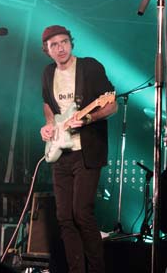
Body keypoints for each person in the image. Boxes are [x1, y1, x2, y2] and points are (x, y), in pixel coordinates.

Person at [39, 25, 117, 273]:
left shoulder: (90, 67)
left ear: (71, 43)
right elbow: (48, 106)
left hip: (87, 151)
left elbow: (111, 104)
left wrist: (90, 119)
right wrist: (49, 126)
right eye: (54, 45)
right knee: (64, 218)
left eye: (64, 42)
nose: (60, 48)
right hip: (61, 153)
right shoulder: (47, 73)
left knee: (81, 213)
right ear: (47, 50)